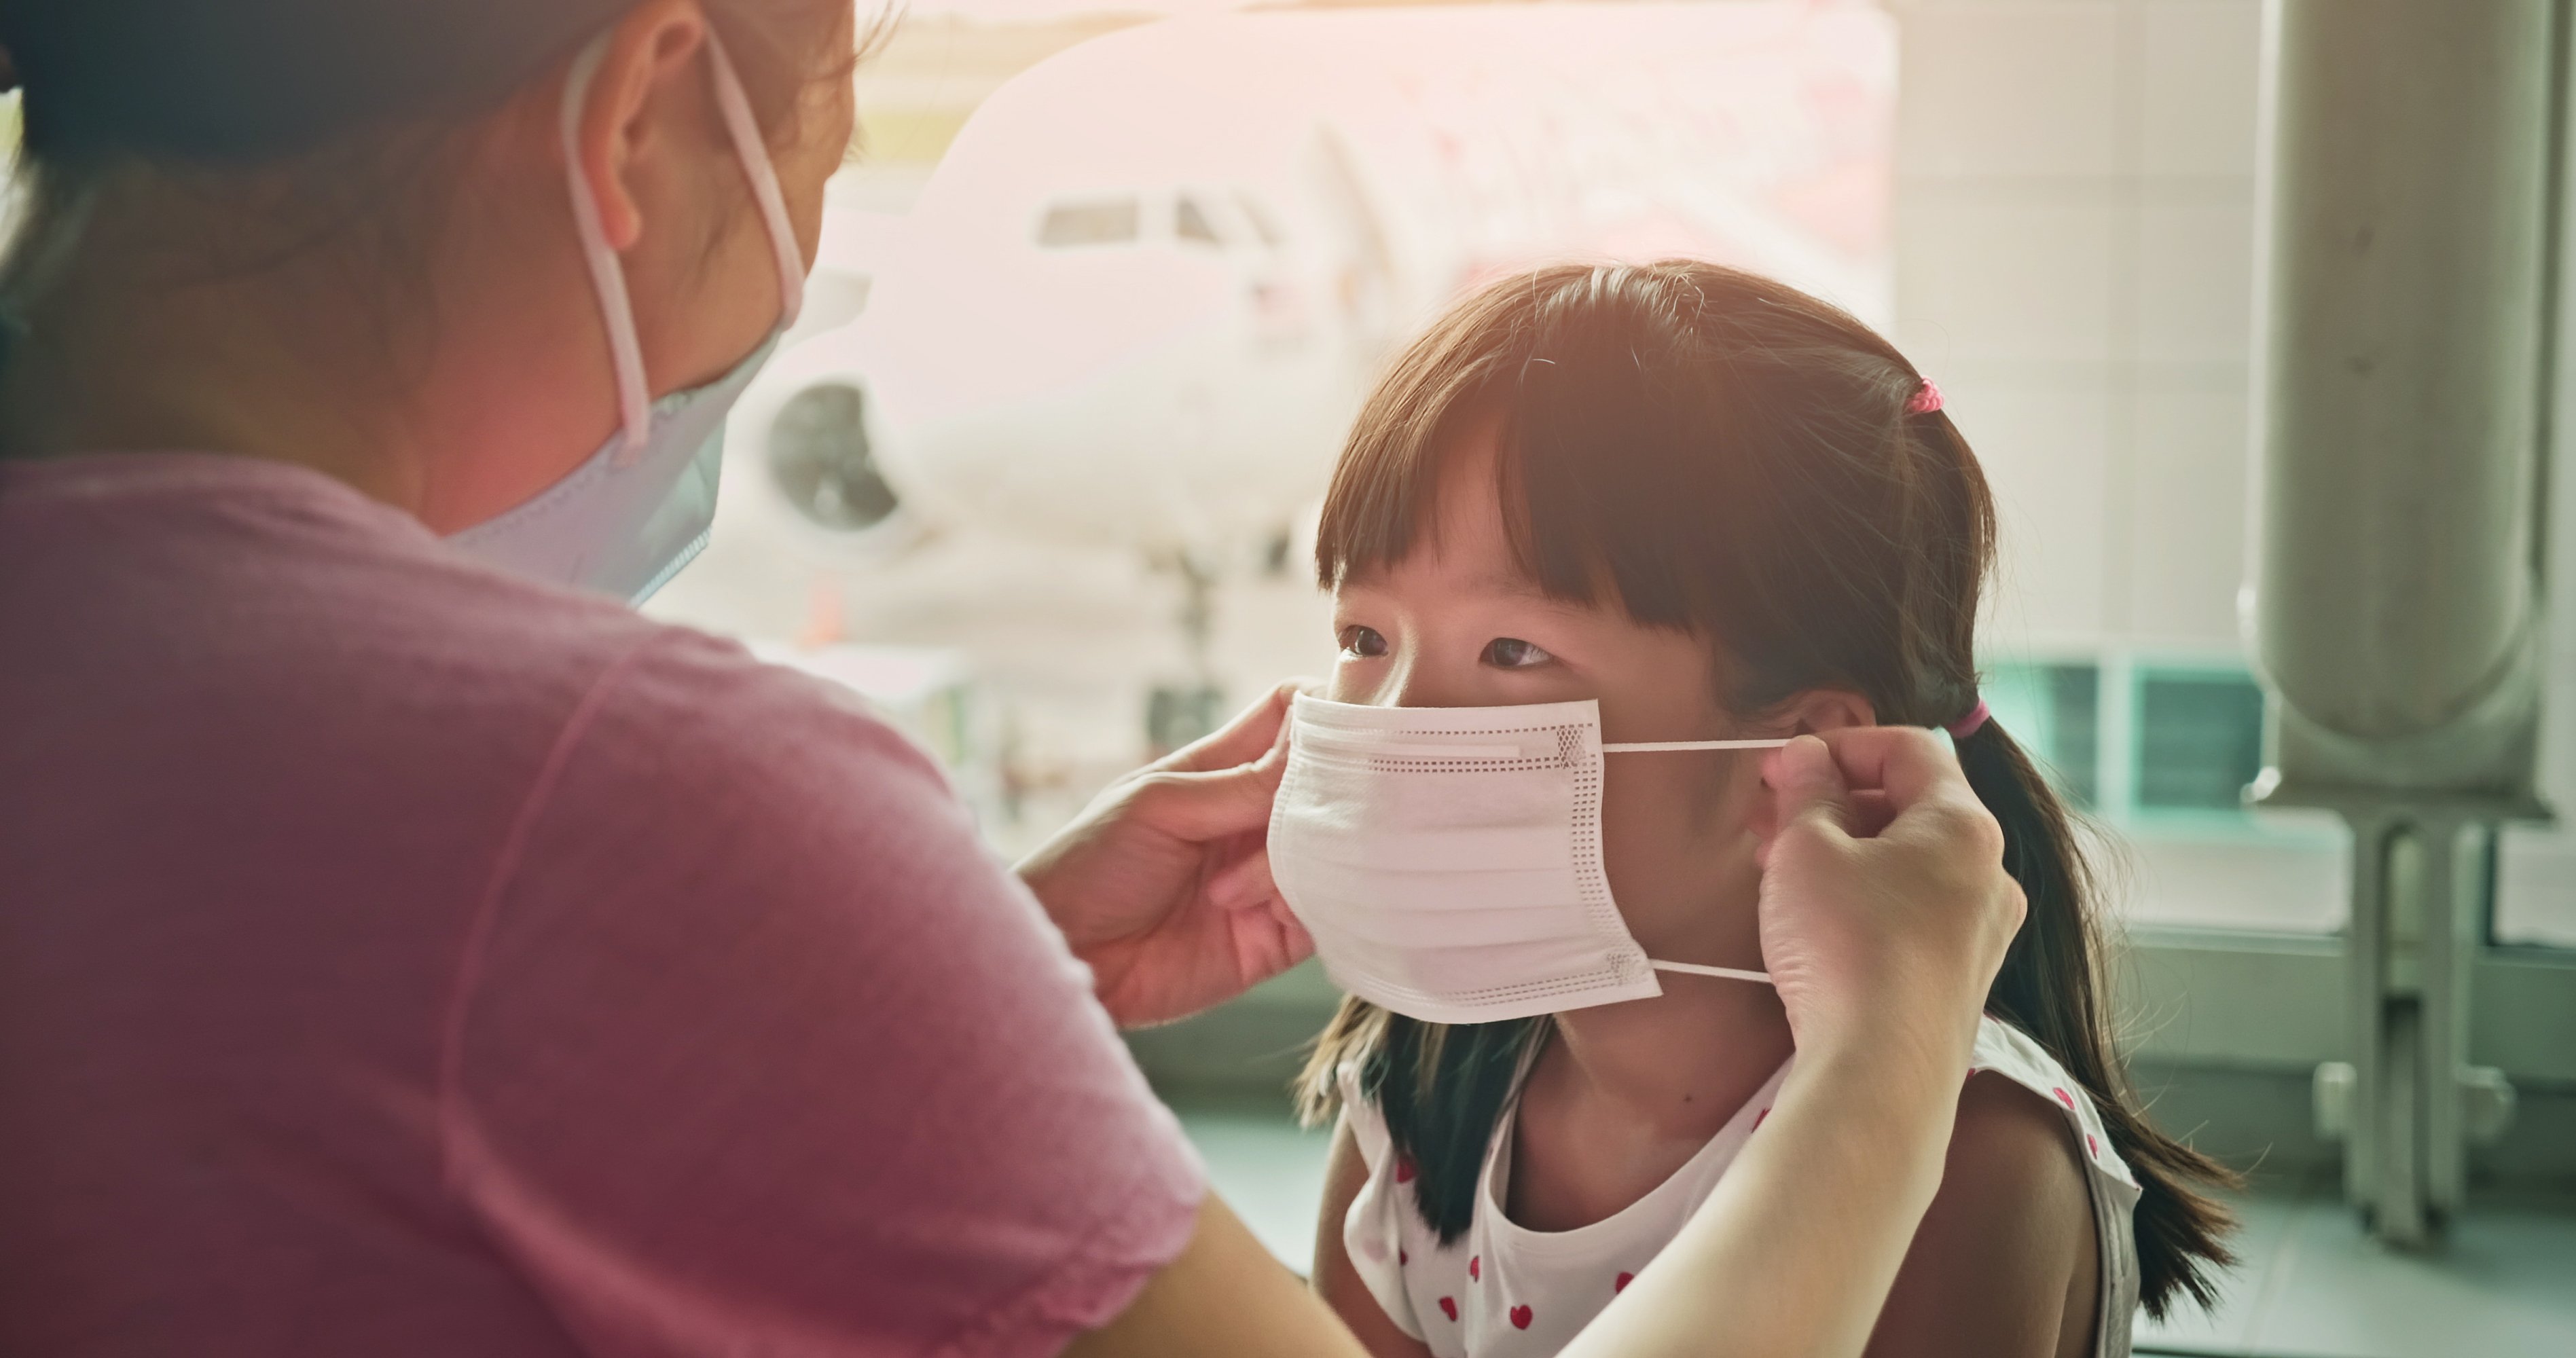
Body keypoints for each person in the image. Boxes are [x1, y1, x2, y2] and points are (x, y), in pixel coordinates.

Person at [0, 3, 2024, 1355]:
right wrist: (1878, 1068)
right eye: (813, 153)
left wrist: (948, 984)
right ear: (637, 120)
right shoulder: (609, 801)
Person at [1286, 262, 2241, 1358]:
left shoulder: (1968, 1156)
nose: (1400, 726)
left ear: (1796, 756)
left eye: (1514, 651)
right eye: (1363, 638)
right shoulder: (1417, 1090)